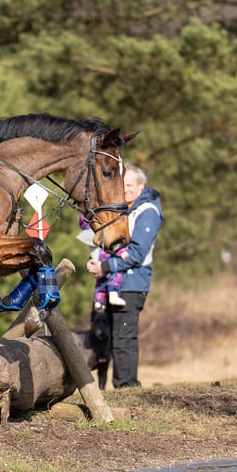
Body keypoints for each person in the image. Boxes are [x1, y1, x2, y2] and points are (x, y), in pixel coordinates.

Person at [85, 164, 163, 389]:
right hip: (109, 284)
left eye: (129, 185)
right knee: (104, 337)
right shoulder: (123, 209)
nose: (125, 189)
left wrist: (105, 268)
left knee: (123, 338)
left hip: (131, 285)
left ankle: (127, 388)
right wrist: (96, 262)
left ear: (141, 186)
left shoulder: (147, 211)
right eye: (123, 184)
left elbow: (136, 254)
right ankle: (98, 389)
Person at [78, 214, 128, 309]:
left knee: (100, 282)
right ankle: (113, 294)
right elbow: (115, 245)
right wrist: (122, 252)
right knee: (115, 274)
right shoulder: (106, 231)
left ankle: (99, 301)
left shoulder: (91, 235)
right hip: (108, 257)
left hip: (97, 257)